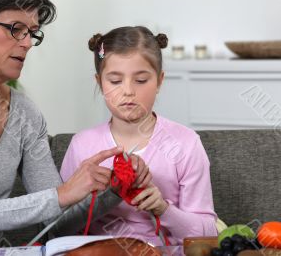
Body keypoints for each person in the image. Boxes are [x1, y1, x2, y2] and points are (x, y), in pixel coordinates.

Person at [0, 0, 151, 250]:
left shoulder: (24, 113)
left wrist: (114, 190)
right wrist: (61, 195)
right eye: (15, 29)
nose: (27, 43)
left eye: (32, 32)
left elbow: (55, 223)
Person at [59, 26, 217, 245]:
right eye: (115, 81)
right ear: (99, 83)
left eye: (141, 80)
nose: (128, 91)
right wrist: (96, 198)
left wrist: (164, 209)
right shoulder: (82, 145)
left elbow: (208, 234)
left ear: (160, 81)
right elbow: (58, 229)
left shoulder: (186, 144)